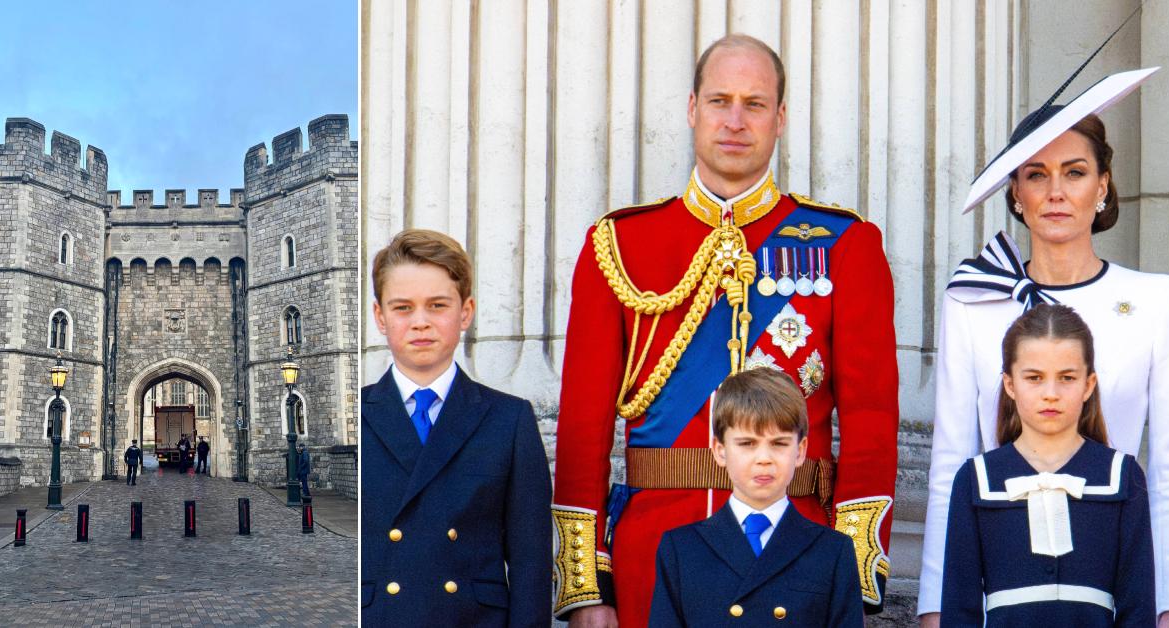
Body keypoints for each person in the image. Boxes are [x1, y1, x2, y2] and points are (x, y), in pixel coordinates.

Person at [552, 34, 898, 626]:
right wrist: (587, 587)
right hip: (653, 555)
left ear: (780, 117)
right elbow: (583, 424)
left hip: (798, 554)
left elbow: (870, 422)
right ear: (692, 109)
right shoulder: (619, 244)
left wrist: (856, 572)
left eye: (755, 104)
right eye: (719, 101)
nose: (735, 120)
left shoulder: (845, 245)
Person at [919, 68, 1169, 626]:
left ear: (1102, 186)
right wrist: (934, 604)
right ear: (1015, 195)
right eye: (1035, 175)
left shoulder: (1156, 299)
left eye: (1074, 173)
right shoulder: (974, 300)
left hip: (1116, 570)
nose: (1054, 192)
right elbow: (950, 459)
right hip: (1002, 577)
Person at [360, 229, 551, 627]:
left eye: (437, 305)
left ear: (465, 312)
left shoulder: (509, 420)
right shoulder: (360, 412)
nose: (420, 323)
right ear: (380, 317)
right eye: (403, 308)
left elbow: (530, 563)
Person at [940, 304, 1154, 626]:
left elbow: (1138, 609)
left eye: (1067, 378)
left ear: (1089, 384)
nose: (1051, 394)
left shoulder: (1123, 476)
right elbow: (959, 610)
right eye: (1034, 378)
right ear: (1010, 384)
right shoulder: (976, 479)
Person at [649, 368, 862, 627]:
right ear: (720, 450)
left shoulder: (833, 551)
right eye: (747, 443)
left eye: (779, 443)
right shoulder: (681, 549)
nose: (764, 458)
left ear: (800, 450)